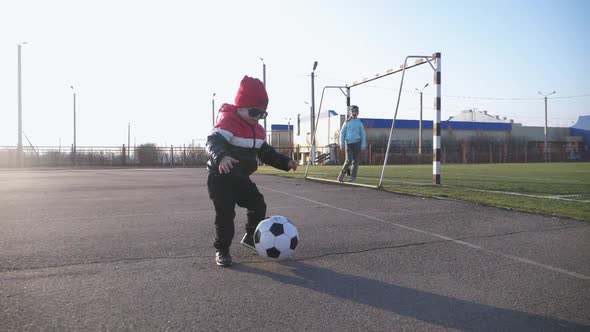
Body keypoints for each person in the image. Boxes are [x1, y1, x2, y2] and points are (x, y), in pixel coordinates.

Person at [206, 75, 298, 267]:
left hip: (240, 178)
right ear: (240, 107)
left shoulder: (258, 130)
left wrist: (285, 162)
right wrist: (221, 157)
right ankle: (222, 249)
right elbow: (212, 141)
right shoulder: (228, 121)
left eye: (262, 114)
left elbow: (267, 153)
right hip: (221, 178)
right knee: (225, 215)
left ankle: (251, 236)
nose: (257, 118)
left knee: (258, 203)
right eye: (254, 112)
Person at [337, 105, 366, 182]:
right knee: (348, 161)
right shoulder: (347, 122)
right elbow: (342, 133)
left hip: (357, 144)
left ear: (358, 113)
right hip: (349, 144)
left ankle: (352, 178)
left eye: (356, 111)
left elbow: (363, 134)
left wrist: (363, 145)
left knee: (355, 161)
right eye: (353, 111)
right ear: (351, 112)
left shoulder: (359, 123)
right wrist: (342, 144)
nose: (354, 113)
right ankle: (341, 176)